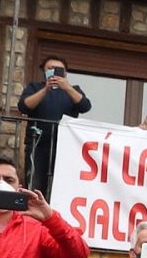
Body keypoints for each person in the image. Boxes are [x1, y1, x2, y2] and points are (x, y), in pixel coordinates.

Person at [17, 55, 92, 198]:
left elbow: (85, 106)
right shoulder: (35, 87)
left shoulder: (74, 89)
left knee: (60, 188)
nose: (55, 72)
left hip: (65, 147)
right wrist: (46, 90)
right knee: (35, 186)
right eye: (50, 69)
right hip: (38, 145)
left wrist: (67, 87)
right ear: (44, 71)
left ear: (65, 73)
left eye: (59, 70)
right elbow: (24, 106)